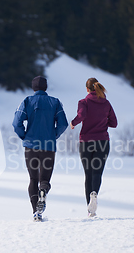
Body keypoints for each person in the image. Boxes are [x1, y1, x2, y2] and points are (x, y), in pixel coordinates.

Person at [13, 76, 68, 221]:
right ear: (46, 87)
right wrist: (53, 135)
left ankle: (36, 212)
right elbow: (63, 124)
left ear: (33, 88)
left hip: (30, 147)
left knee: (33, 178)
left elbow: (16, 122)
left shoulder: (26, 101)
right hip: (49, 147)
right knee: (45, 179)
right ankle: (43, 191)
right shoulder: (55, 102)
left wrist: (24, 136)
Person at [70, 77, 117, 217]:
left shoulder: (83, 102)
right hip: (103, 142)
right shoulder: (106, 103)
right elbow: (114, 123)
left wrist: (73, 122)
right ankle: (94, 194)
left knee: (88, 174)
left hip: (86, 142)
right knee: (97, 173)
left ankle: (90, 211)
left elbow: (82, 115)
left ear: (87, 89)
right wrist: (102, 121)